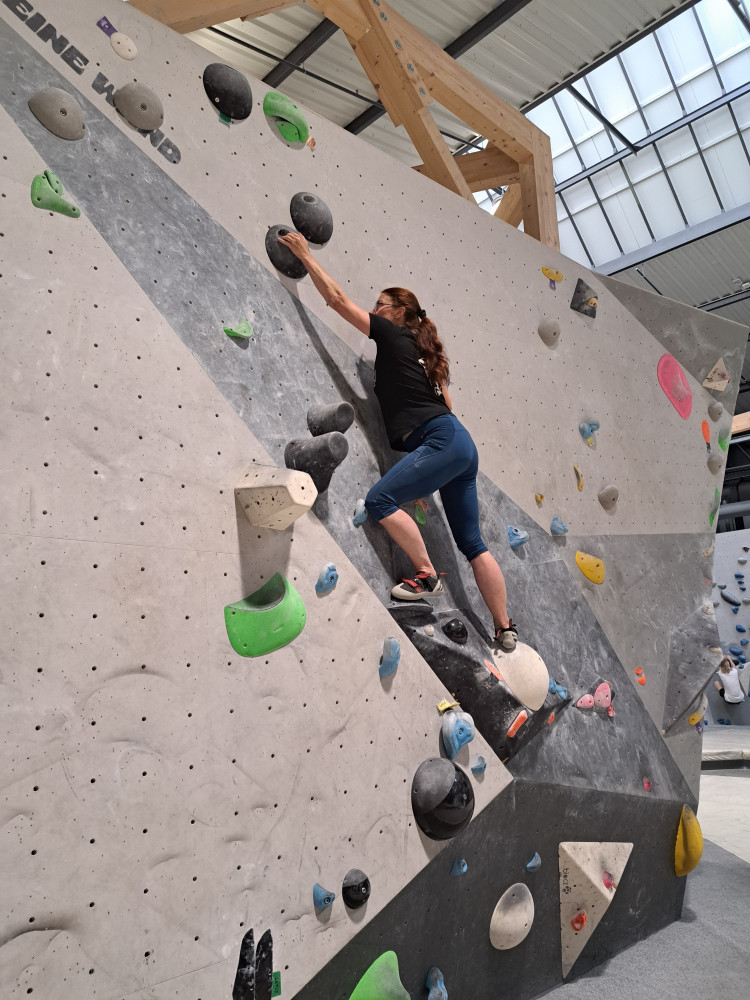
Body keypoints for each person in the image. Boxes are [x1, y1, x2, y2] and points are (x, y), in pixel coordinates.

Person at [278, 232, 518, 651]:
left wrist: (306, 256)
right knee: (473, 544)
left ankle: (426, 575)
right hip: (459, 445)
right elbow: (445, 407)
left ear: (398, 312)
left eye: (380, 305)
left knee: (379, 501)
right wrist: (429, 466)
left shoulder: (392, 335)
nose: (374, 311)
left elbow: (337, 300)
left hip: (441, 440)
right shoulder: (428, 357)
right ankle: (505, 628)